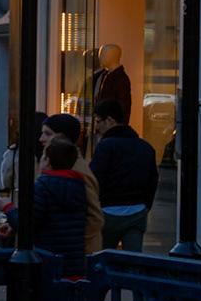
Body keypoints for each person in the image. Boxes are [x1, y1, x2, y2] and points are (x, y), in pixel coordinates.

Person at [89, 99, 158, 251]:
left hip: (108, 212)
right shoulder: (145, 147)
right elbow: (152, 181)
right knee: (132, 262)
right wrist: (145, 206)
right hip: (137, 211)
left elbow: (94, 179)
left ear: (109, 120)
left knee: (102, 260)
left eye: (98, 121)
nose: (97, 127)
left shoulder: (105, 147)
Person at [41, 113, 103, 254]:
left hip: (79, 253)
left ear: (60, 138)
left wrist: (70, 241)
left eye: (47, 134)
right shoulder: (66, 166)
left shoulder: (76, 170)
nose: (41, 139)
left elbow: (95, 218)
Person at [33, 137, 91, 277]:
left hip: (48, 260)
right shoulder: (79, 185)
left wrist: (8, 208)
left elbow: (30, 222)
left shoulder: (42, 186)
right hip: (74, 263)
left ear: (47, 161)